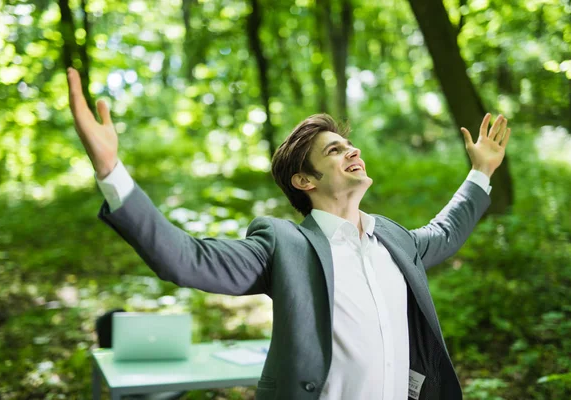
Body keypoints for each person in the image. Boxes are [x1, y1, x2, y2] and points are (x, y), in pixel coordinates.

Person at [67, 67, 512, 400]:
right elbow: (185, 258)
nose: (352, 150)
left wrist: (481, 172)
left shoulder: (394, 241)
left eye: (348, 145)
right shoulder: (283, 245)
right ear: (305, 181)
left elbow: (446, 232)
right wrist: (111, 171)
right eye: (334, 150)